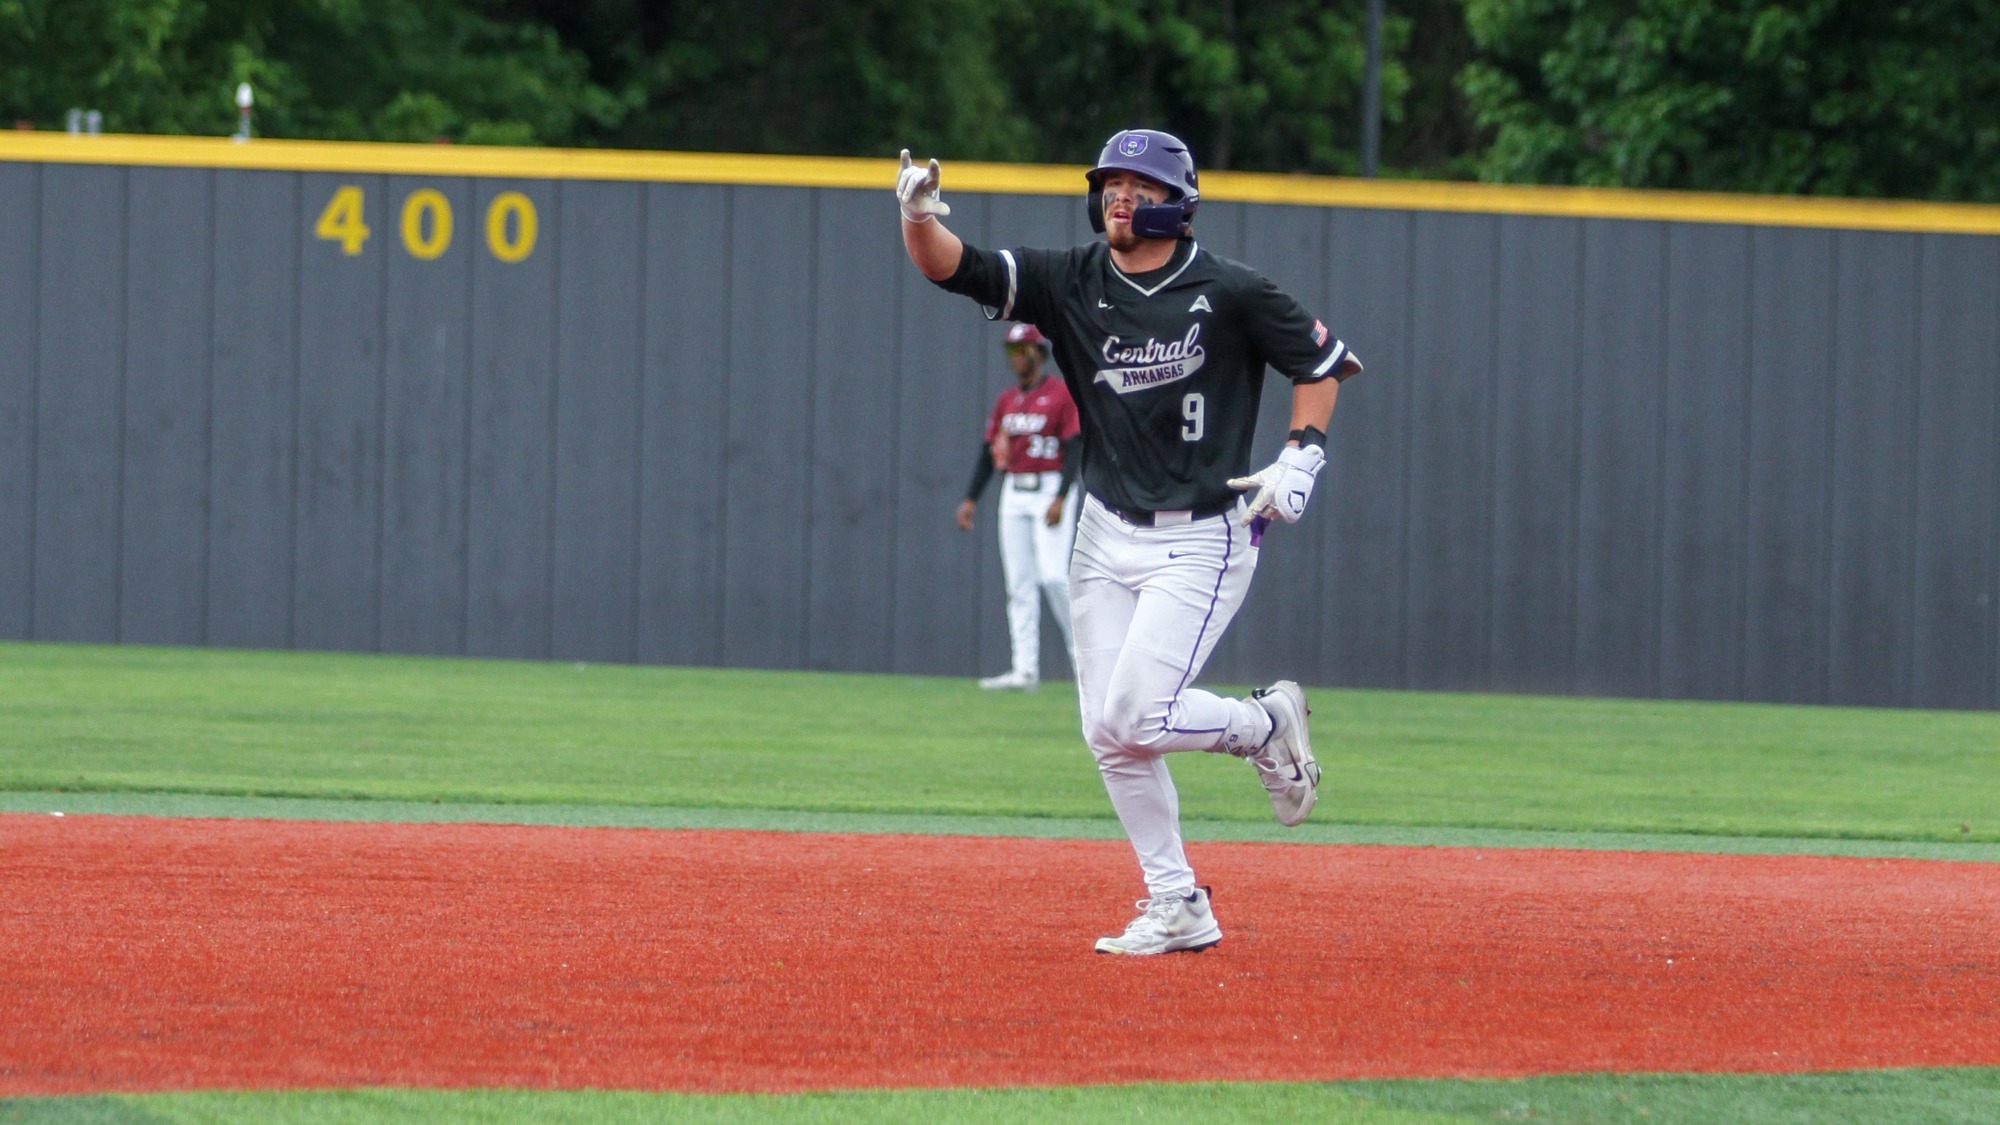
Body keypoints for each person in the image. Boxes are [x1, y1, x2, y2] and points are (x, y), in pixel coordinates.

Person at [897, 129, 1364, 955]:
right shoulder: (1073, 279)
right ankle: (1177, 900)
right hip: (1103, 529)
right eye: (1111, 182)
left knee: (1137, 714)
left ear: (1178, 203)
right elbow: (955, 267)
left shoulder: (1230, 289)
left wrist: (1303, 454)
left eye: (1140, 186)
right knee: (1110, 734)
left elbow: (1322, 364)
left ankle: (1263, 724)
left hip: (1203, 535)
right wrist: (918, 215)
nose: (1120, 195)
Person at [955, 322, 1082, 692]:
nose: (1016, 357)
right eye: (1012, 350)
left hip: (1049, 487)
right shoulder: (1007, 400)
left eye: (1022, 349)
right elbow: (988, 452)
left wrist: (1061, 496)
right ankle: (1024, 670)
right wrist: (971, 498)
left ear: (1038, 353)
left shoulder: (1060, 394)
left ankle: (1086, 662)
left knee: (1053, 577)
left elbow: (1075, 446)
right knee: (1019, 583)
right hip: (1014, 488)